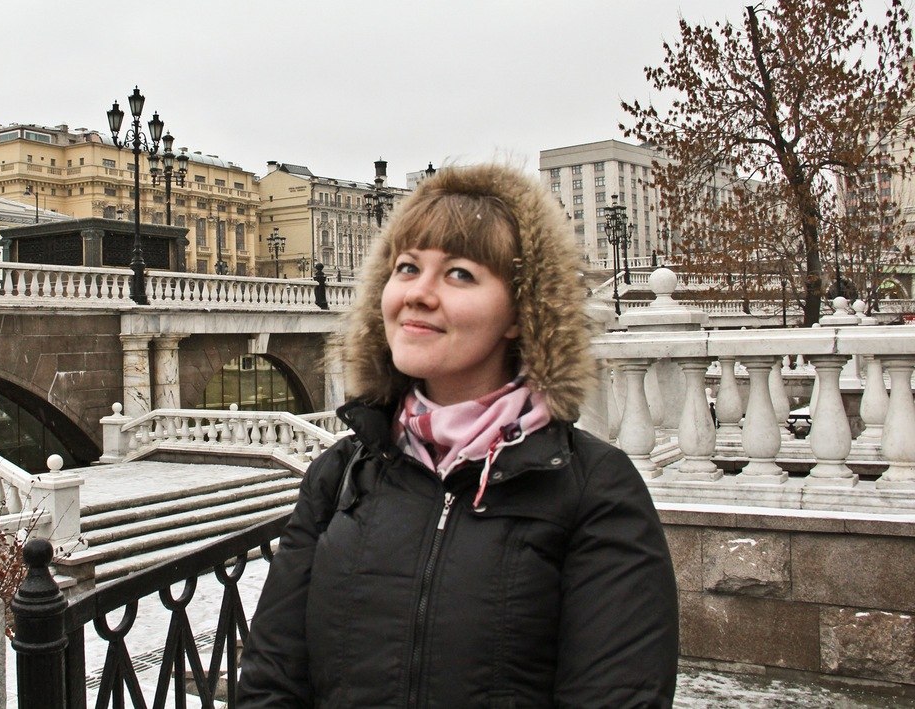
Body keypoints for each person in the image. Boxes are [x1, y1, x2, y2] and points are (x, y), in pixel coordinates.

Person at [237, 163, 678, 708]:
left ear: (520, 312)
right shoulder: (341, 476)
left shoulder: (595, 491)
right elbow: (271, 681)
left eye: (460, 274)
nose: (418, 294)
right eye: (406, 267)